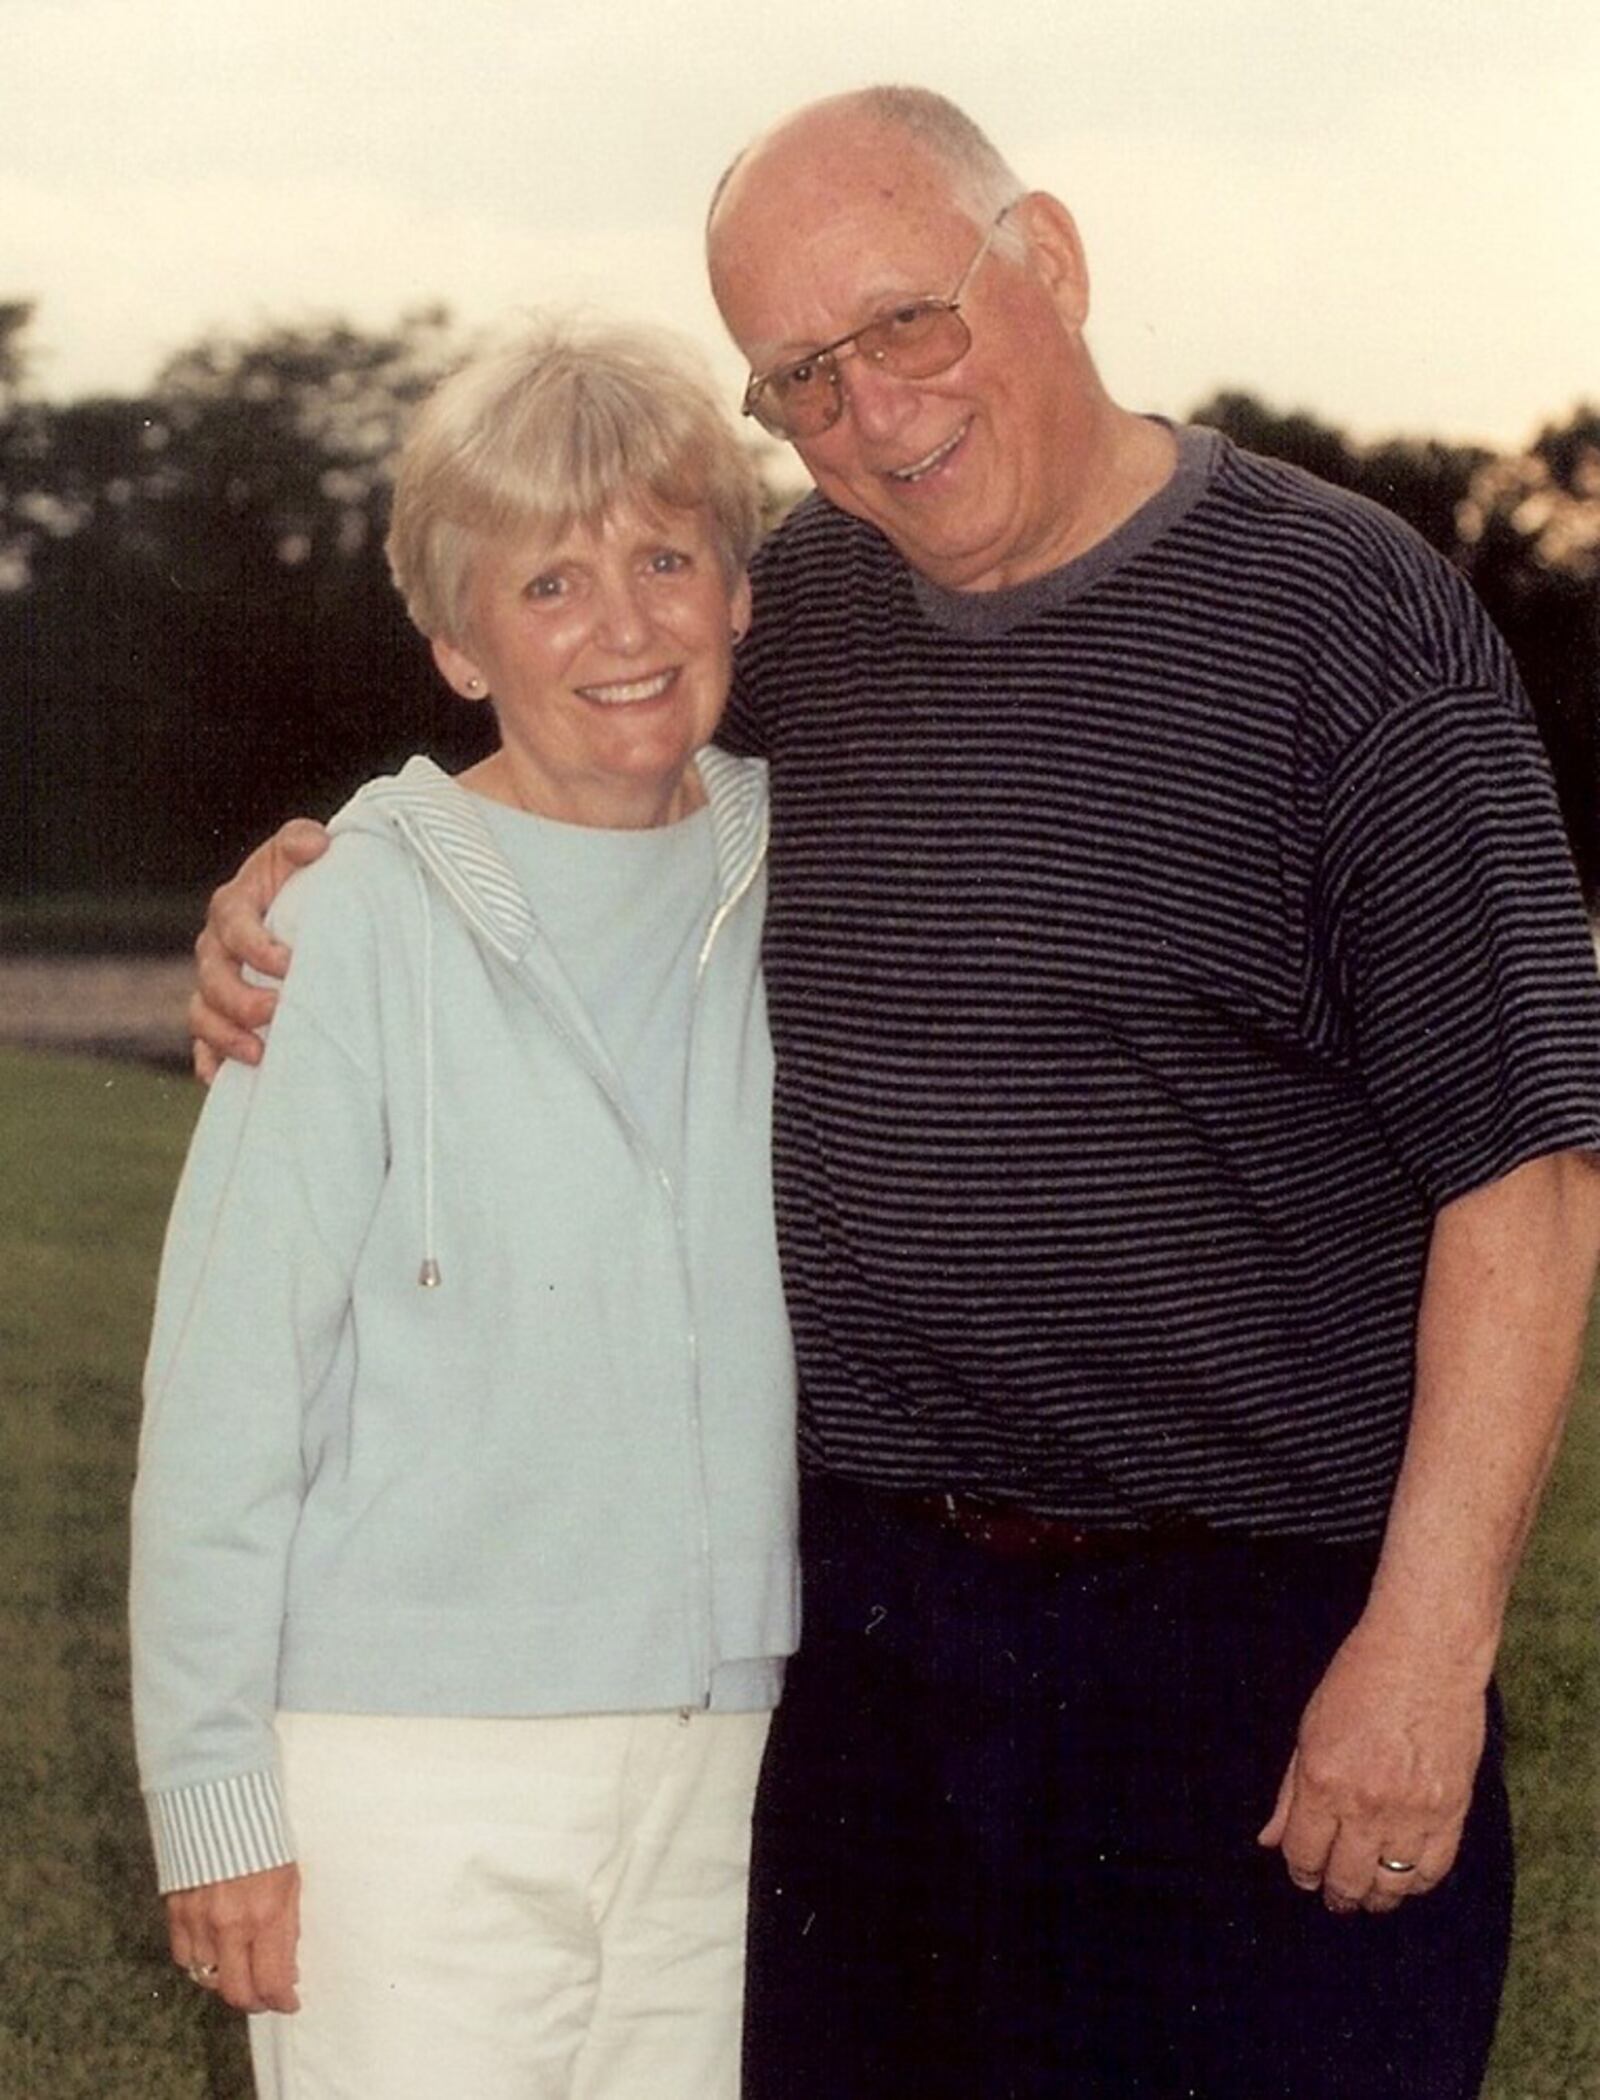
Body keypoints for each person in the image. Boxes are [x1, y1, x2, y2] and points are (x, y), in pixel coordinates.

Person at [188, 86, 1600, 2100]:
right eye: (798, 378)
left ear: (1055, 261)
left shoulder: (1345, 623)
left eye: (905, 322)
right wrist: (295, 891)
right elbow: (555, 775)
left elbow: (1524, 1171)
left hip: (1255, 1637)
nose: (867, 414)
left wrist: (1421, 1651)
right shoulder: (792, 620)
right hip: (860, 1651)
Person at [131, 318, 797, 2100]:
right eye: (552, 581)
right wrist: (214, 1791)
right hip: (405, 1770)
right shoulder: (344, 924)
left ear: (743, 592)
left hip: (731, 1755)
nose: (627, 625)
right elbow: (223, 1397)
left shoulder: (812, 880)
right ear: (454, 638)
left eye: (667, 559)